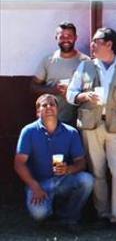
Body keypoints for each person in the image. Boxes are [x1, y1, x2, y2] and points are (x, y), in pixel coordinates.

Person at [66, 27, 116, 229]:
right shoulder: (85, 66)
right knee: (97, 172)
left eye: (95, 41)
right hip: (90, 126)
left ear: (109, 44)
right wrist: (84, 96)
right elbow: (71, 94)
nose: (91, 45)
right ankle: (103, 215)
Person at [14, 94, 94, 234]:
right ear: (38, 111)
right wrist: (35, 186)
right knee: (39, 214)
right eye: (44, 105)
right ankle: (50, 216)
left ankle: (70, 219)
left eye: (52, 104)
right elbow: (19, 164)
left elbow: (81, 162)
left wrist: (68, 169)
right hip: (39, 184)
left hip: (63, 181)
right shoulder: (29, 131)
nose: (49, 107)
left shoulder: (71, 132)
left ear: (58, 109)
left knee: (87, 180)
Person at [32, 22, 91, 126]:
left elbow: (93, 89)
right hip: (51, 122)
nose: (66, 39)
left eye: (69, 36)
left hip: (79, 121)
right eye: (62, 36)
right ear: (56, 37)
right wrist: (53, 90)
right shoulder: (48, 60)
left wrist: (73, 91)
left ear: (76, 38)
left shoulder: (85, 61)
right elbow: (33, 86)